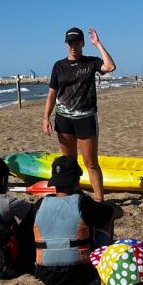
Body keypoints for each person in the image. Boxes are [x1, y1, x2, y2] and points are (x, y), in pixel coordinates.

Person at [41, 27, 117, 201]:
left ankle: (99, 199)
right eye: (70, 43)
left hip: (86, 119)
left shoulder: (91, 62)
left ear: (82, 43)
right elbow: (52, 93)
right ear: (66, 44)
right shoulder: (59, 66)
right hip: (64, 120)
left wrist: (98, 43)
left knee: (91, 163)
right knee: (69, 163)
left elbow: (110, 66)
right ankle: (71, 196)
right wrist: (46, 117)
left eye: (76, 42)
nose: (73, 46)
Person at [33, 155, 121, 285]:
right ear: (77, 181)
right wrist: (104, 205)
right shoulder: (83, 203)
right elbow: (118, 213)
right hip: (81, 275)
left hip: (46, 275)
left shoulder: (39, 205)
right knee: (106, 218)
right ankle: (103, 264)